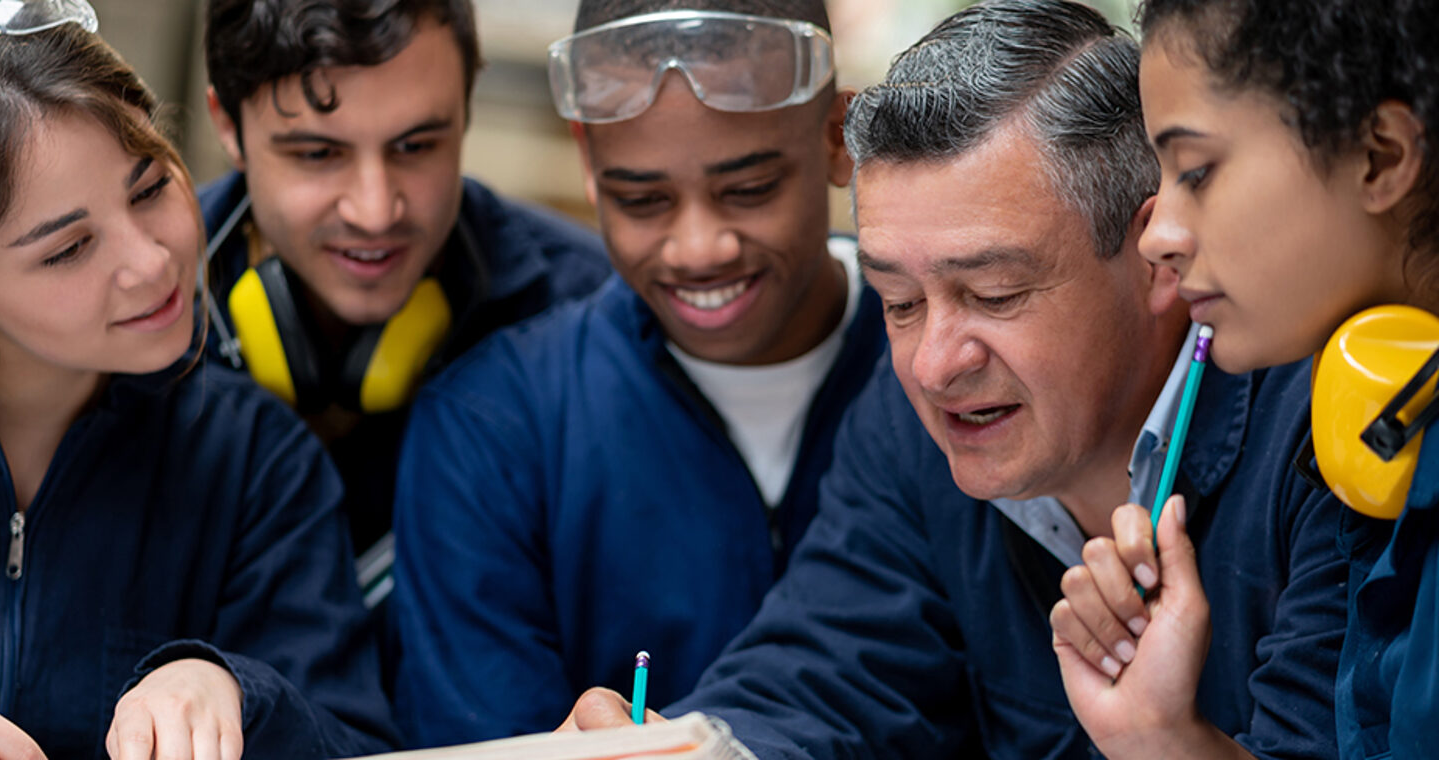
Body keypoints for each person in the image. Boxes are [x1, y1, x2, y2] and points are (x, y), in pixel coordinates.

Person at [557, 2, 1349, 757]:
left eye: (994, 295)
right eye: (898, 302)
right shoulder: (911, 427)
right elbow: (826, 675)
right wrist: (700, 751)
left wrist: (1166, 744)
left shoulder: (1327, 431)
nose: (935, 365)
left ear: (1158, 256)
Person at [389, 0, 884, 747]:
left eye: (748, 190)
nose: (698, 247)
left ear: (838, 139)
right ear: (587, 162)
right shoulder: (492, 431)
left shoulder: (943, 381)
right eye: (642, 200)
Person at [0, 1, 395, 757]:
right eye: (69, 248)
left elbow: (355, 740)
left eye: (148, 190)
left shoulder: (257, 464)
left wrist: (235, 689)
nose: (151, 263)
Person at [1050, 1, 1439, 758]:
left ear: (1381, 156)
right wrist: (1158, 735)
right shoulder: (1389, 433)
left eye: (1196, 170)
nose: (1158, 235)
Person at [199, 0, 611, 560]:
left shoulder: (595, 316)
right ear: (227, 124)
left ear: (466, 110)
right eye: (319, 153)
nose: (375, 212)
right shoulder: (118, 321)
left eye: (416, 147)